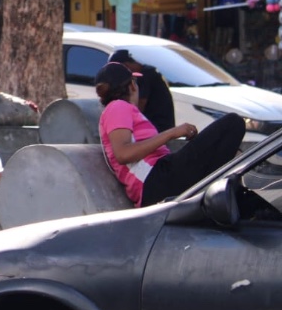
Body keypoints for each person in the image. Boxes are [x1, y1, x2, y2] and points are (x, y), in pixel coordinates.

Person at [95, 62, 244, 207]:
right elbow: (123, 154)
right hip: (155, 180)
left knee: (246, 198)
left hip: (161, 176)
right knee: (233, 123)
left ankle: (216, 188)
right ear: (132, 85)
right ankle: (212, 188)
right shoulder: (118, 107)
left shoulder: (124, 110)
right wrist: (172, 133)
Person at [108, 48, 175, 133]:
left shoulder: (145, 75)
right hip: (160, 127)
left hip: (156, 127)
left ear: (125, 65)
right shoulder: (147, 72)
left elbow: (140, 105)